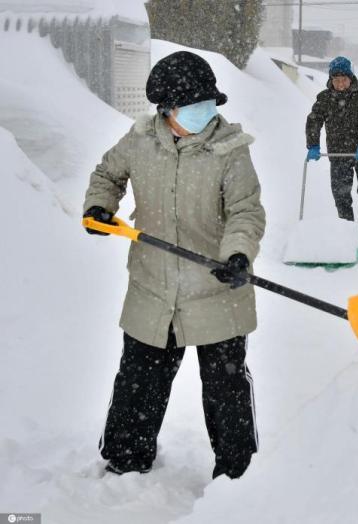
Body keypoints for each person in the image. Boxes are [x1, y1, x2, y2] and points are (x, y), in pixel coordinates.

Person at [82, 51, 266, 480]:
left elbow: (246, 211)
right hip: (153, 286)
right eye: (194, 105)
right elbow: (107, 175)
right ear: (166, 109)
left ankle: (239, 475)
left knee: (227, 390)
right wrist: (99, 207)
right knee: (138, 382)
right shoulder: (140, 141)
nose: (206, 111)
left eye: (209, 103)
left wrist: (237, 255)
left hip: (216, 288)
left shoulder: (229, 151)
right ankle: (126, 459)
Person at [305, 56, 358, 243]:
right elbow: (314, 120)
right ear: (331, 80)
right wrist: (313, 144)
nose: (340, 84)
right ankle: (347, 229)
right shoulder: (325, 98)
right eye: (336, 80)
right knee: (341, 192)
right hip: (338, 153)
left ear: (351, 78)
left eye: (344, 80)